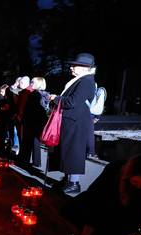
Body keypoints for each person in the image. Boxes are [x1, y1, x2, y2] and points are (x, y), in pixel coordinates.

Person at [49, 53, 97, 194]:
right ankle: (67, 179)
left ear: (84, 68)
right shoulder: (81, 80)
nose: (71, 68)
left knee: (74, 152)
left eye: (74, 65)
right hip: (72, 121)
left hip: (76, 123)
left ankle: (74, 183)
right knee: (68, 151)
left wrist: (56, 98)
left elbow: (72, 102)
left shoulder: (86, 81)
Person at [17, 77, 49, 168]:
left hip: (31, 119)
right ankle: (36, 162)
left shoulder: (34, 94)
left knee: (27, 140)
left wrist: (24, 116)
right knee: (35, 141)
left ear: (38, 84)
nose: (31, 84)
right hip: (39, 120)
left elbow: (31, 107)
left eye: (33, 82)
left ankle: (24, 160)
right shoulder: (45, 94)